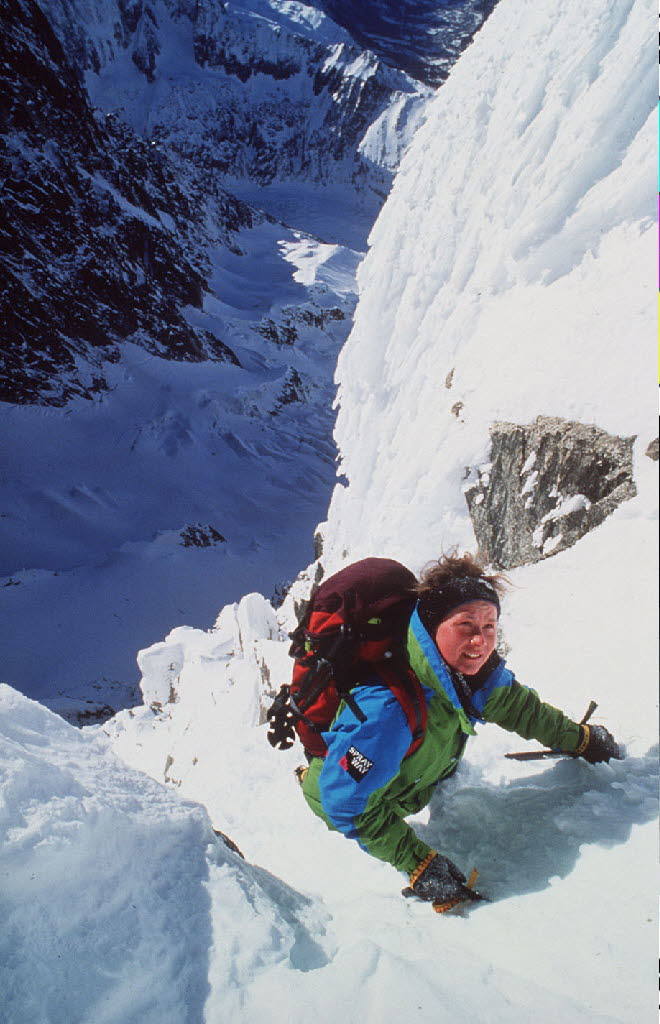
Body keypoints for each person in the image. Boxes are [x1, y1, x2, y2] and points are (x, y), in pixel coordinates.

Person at [300, 552, 621, 907]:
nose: (480, 642)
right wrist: (417, 863)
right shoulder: (388, 713)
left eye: (488, 628)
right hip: (355, 792)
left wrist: (582, 740)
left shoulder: (469, 677)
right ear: (430, 629)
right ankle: (307, 774)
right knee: (338, 789)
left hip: (412, 778)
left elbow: (521, 709)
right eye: (465, 626)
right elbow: (343, 801)